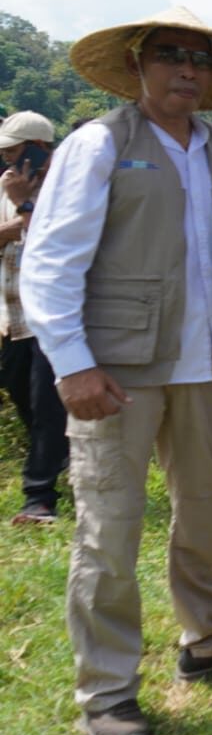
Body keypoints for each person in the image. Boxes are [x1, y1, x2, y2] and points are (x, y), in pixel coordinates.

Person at [21, 7, 212, 735]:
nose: (186, 69)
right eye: (170, 55)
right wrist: (73, 364)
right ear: (138, 63)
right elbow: (50, 260)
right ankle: (106, 688)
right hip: (118, 365)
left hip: (202, 361)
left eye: (198, 57)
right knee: (111, 525)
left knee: (204, 506)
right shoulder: (99, 145)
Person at [0, 111, 67, 525]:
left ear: (39, 150)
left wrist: (25, 207)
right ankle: (64, 455)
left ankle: (39, 498)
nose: (8, 161)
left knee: (46, 403)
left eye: (14, 152)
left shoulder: (68, 189)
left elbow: (54, 240)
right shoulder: (3, 188)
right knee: (18, 389)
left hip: (56, 316)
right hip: (13, 314)